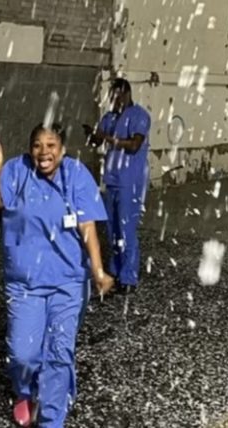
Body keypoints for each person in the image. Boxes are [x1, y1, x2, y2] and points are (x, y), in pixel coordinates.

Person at [0, 123, 115, 427]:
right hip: (26, 280)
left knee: (58, 352)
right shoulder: (17, 170)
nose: (44, 153)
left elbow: (87, 226)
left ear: (63, 149)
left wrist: (97, 270)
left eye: (51, 145)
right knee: (23, 354)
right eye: (38, 146)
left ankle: (52, 418)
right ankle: (26, 392)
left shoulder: (76, 174)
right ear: (30, 149)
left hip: (68, 280)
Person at [84, 78, 151, 291]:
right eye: (112, 96)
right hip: (112, 180)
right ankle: (115, 270)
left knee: (126, 229)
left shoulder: (140, 116)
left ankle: (129, 277)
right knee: (112, 229)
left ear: (127, 94)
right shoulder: (110, 116)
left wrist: (109, 138)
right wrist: (92, 136)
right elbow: (98, 140)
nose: (115, 100)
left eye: (119, 96)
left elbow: (134, 145)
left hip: (130, 180)